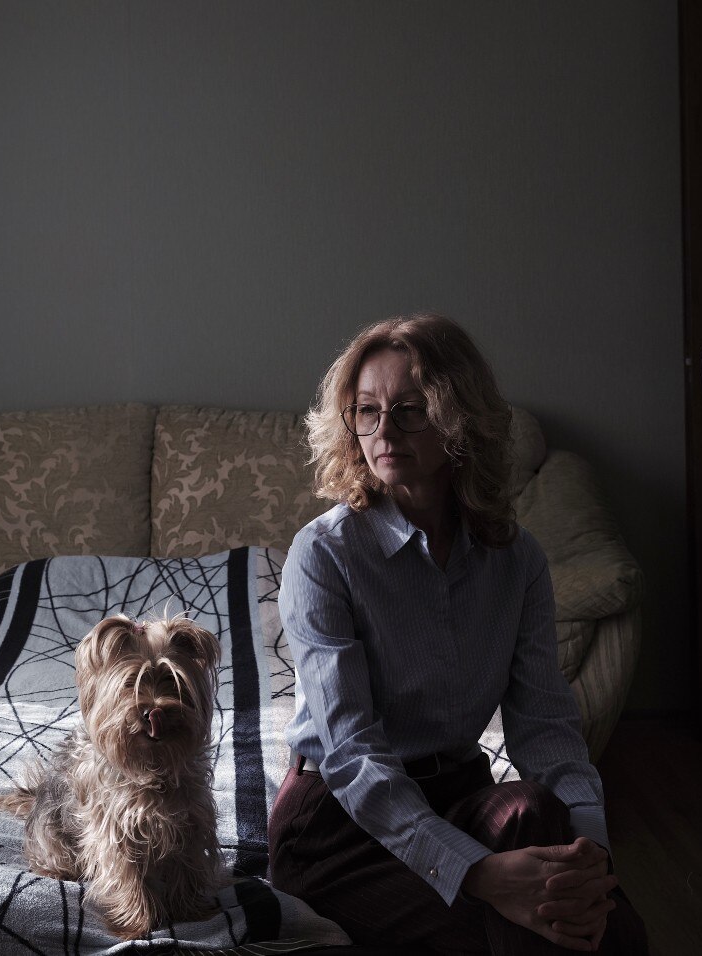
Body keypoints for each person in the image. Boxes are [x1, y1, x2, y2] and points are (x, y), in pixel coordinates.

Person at [268, 313, 647, 954]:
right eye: (366, 411)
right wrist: (478, 873)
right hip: (339, 827)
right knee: (511, 930)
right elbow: (353, 754)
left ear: (458, 418)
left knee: (555, 848)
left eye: (411, 410)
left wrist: (592, 855)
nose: (383, 430)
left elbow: (547, 729)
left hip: (457, 791)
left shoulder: (515, 559)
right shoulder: (324, 554)